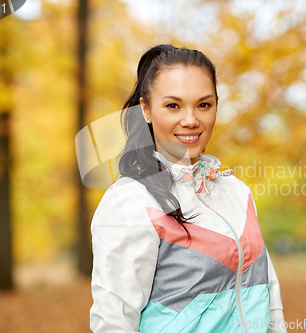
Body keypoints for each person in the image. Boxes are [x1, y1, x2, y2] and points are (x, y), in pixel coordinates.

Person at [89, 44, 288, 333]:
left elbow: (269, 295)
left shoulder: (237, 191)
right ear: (145, 109)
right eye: (173, 105)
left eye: (203, 104)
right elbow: (113, 322)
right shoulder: (129, 201)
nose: (191, 120)